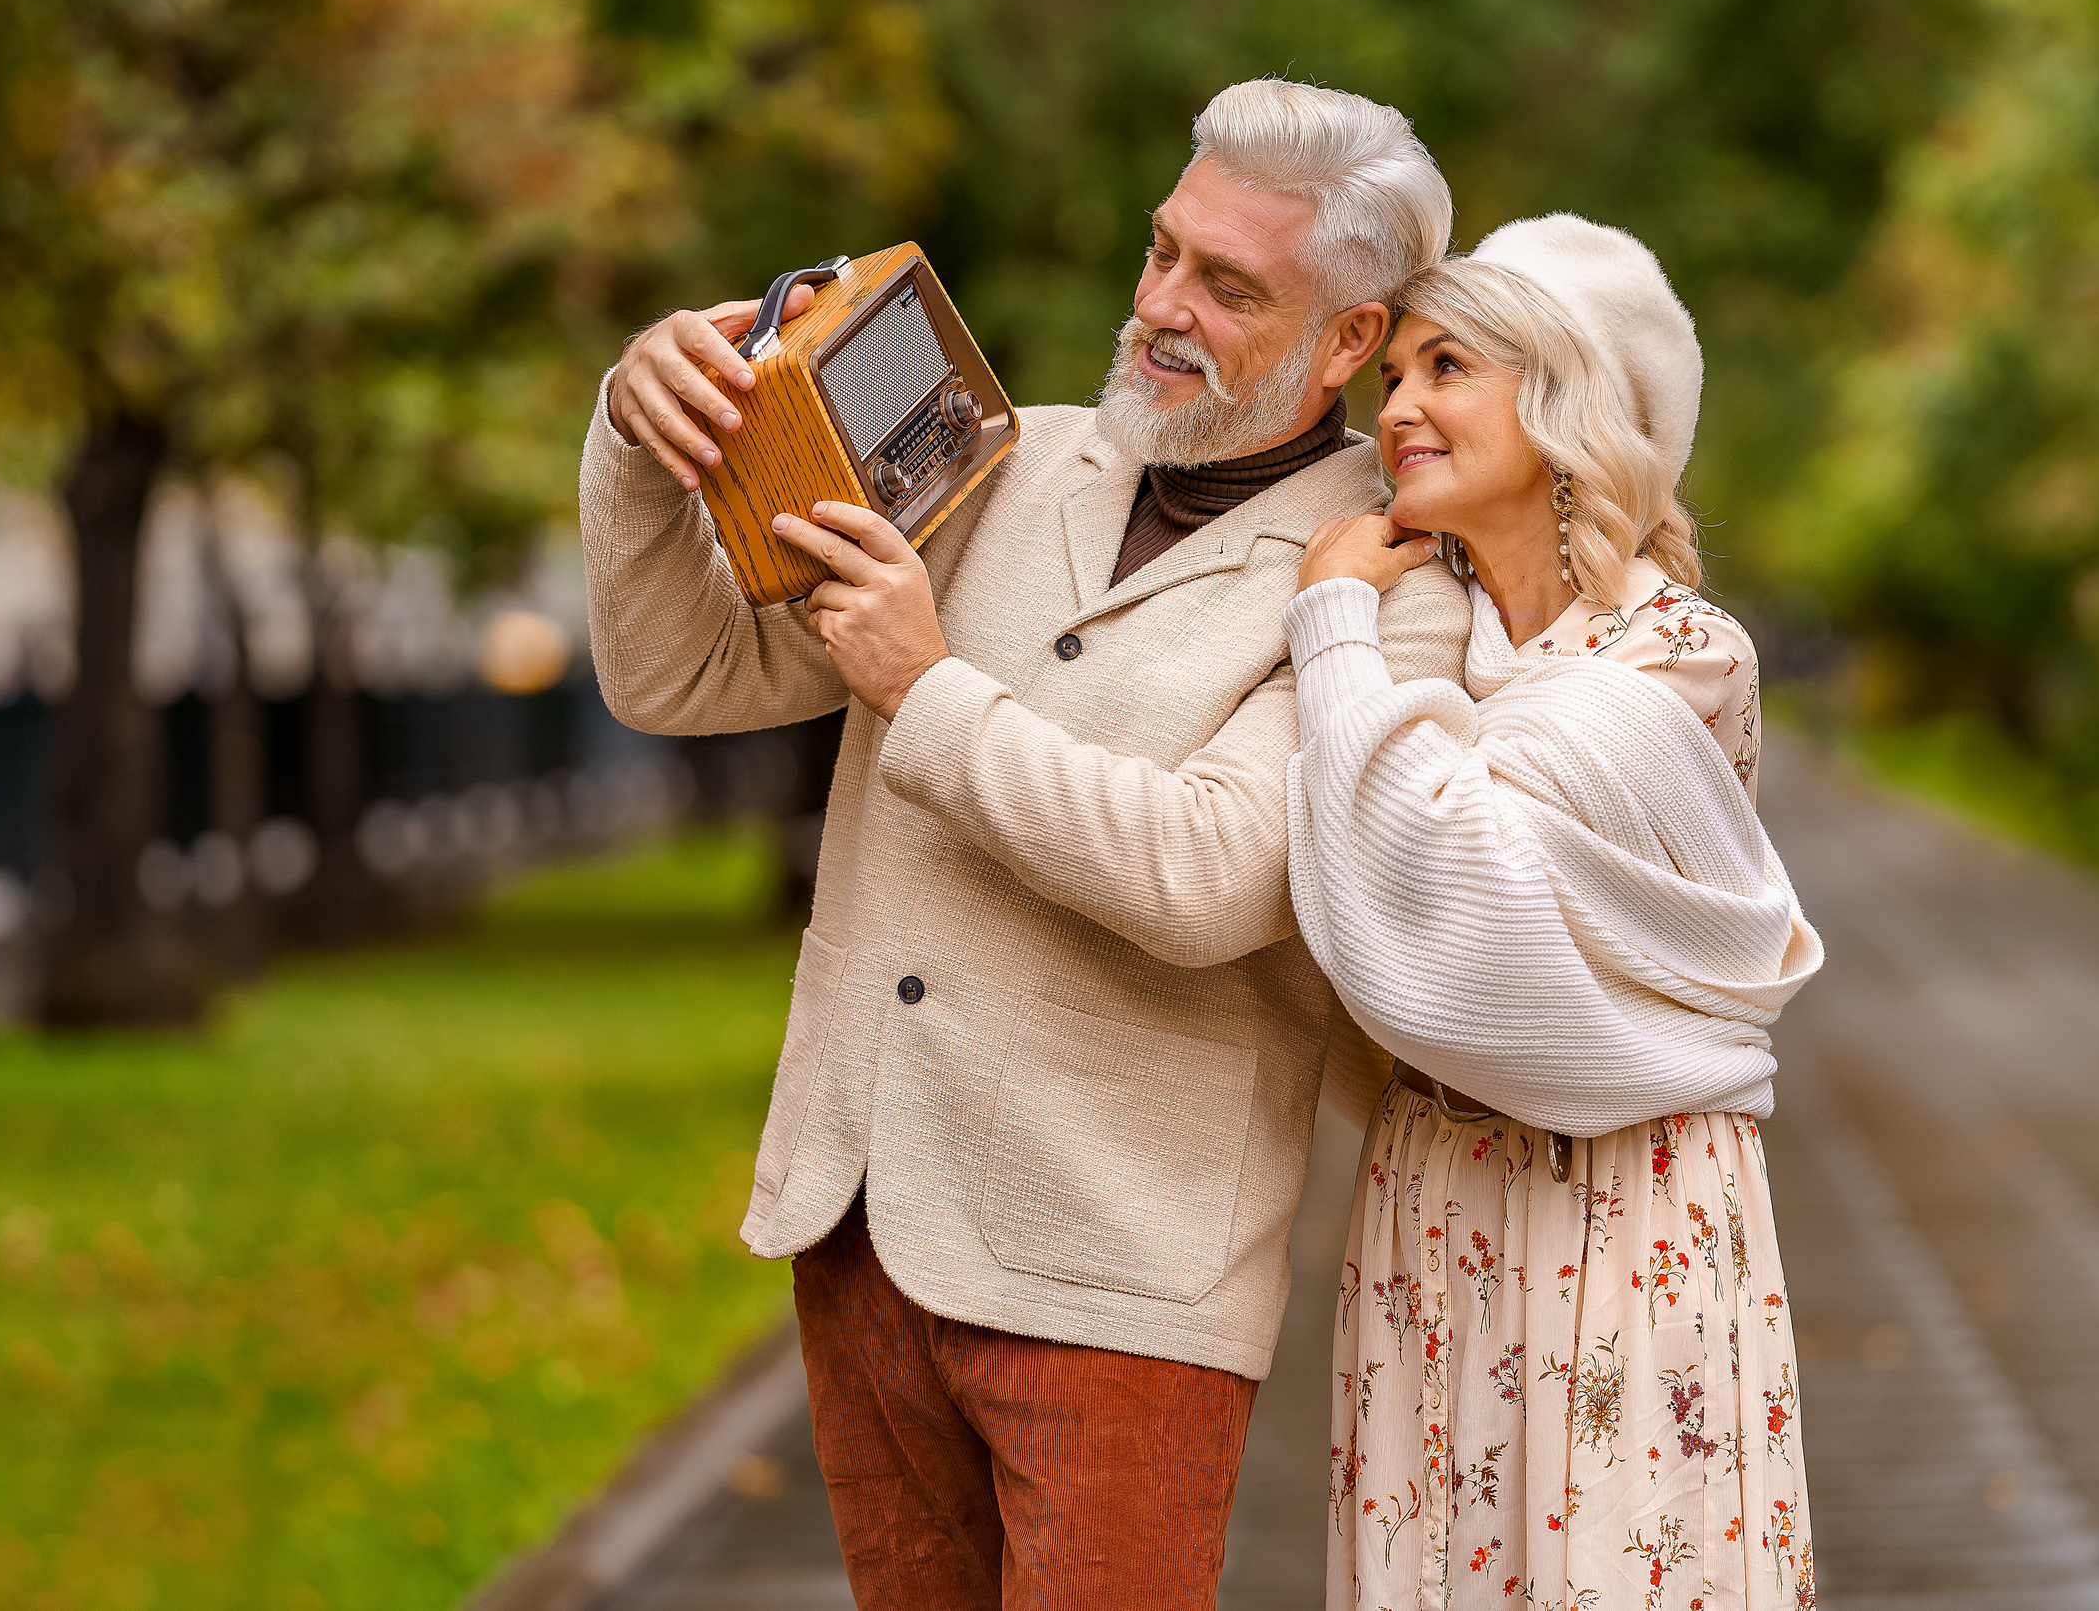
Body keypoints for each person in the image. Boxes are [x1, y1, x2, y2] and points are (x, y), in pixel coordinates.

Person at [577, 79, 1471, 1609]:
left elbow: (1209, 877)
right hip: (860, 1231)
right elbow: (685, 675)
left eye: (1229, 285)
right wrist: (633, 433)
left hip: (1120, 1278)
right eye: (1164, 251)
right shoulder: (994, 454)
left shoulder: (1395, 587)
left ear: (1351, 340)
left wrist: (924, 687)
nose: (1163, 305)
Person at [1284, 214, 1826, 1609]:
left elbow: (1449, 882)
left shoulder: (1679, 658)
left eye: (1447, 366)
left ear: (1563, 399)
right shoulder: (1427, 627)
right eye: (1392, 376)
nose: (1397, 409)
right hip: (1439, 1190)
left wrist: (1330, 629)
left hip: (1628, 1195)